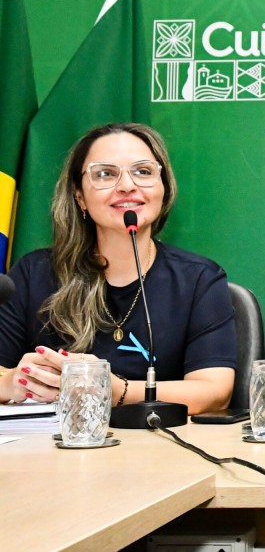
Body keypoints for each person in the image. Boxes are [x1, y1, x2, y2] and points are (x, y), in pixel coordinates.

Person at [0, 123, 236, 414]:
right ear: (79, 195)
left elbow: (215, 392)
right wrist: (14, 382)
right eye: (105, 174)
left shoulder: (199, 279)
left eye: (143, 171)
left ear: (163, 188)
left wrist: (115, 390)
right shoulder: (33, 273)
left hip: (158, 441)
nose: (127, 186)